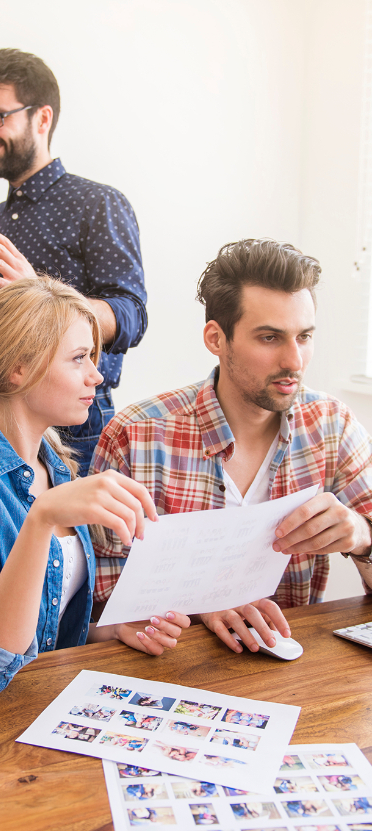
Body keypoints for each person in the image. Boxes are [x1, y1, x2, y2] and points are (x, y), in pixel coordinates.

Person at [0, 276, 188, 692]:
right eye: (78, 358)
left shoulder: (58, 467)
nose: (96, 376)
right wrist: (41, 519)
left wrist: (106, 631)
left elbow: (40, 630)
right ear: (17, 370)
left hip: (29, 699)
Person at [91, 238, 372, 655]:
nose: (295, 361)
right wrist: (199, 605)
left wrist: (363, 539)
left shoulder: (331, 426)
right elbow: (94, 609)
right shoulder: (137, 435)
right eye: (270, 338)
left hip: (296, 675)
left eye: (305, 336)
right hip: (168, 674)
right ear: (216, 338)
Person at [0, 48, 146, 477]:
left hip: (78, 424)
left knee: (74, 546)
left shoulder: (98, 204)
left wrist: (45, 300)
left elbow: (131, 316)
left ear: (42, 118)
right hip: (1, 426)